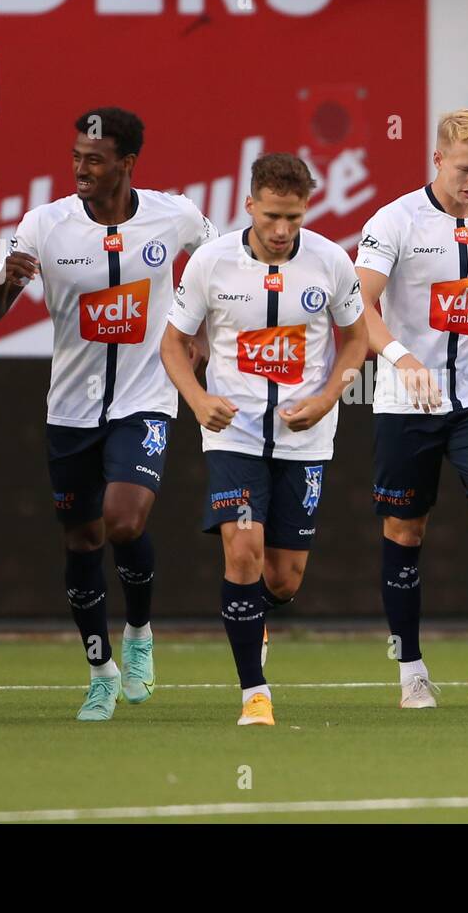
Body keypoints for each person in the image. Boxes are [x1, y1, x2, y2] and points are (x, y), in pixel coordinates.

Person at [0, 107, 215, 721]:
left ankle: (139, 635)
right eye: (76, 157)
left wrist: (204, 332)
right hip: (70, 410)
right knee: (82, 539)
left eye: (95, 159)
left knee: (125, 521)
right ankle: (100, 670)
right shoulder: (44, 224)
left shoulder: (175, 215)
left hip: (146, 400)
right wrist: (6, 280)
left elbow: (220, 266)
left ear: (127, 163)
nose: (80, 169)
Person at [162, 153, 367, 726]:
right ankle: (255, 693)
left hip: (307, 437)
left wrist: (328, 399)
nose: (282, 231)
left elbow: (355, 342)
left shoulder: (331, 261)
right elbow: (173, 345)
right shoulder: (210, 262)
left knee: (283, 577)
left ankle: (257, 612)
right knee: (243, 550)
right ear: (249, 204)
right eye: (273, 215)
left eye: (294, 218)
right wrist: (199, 401)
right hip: (235, 436)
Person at [356, 109, 468, 709]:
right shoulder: (394, 221)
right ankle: (411, 670)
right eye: (464, 169)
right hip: (407, 401)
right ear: (437, 160)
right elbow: (359, 309)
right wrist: (404, 360)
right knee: (406, 529)